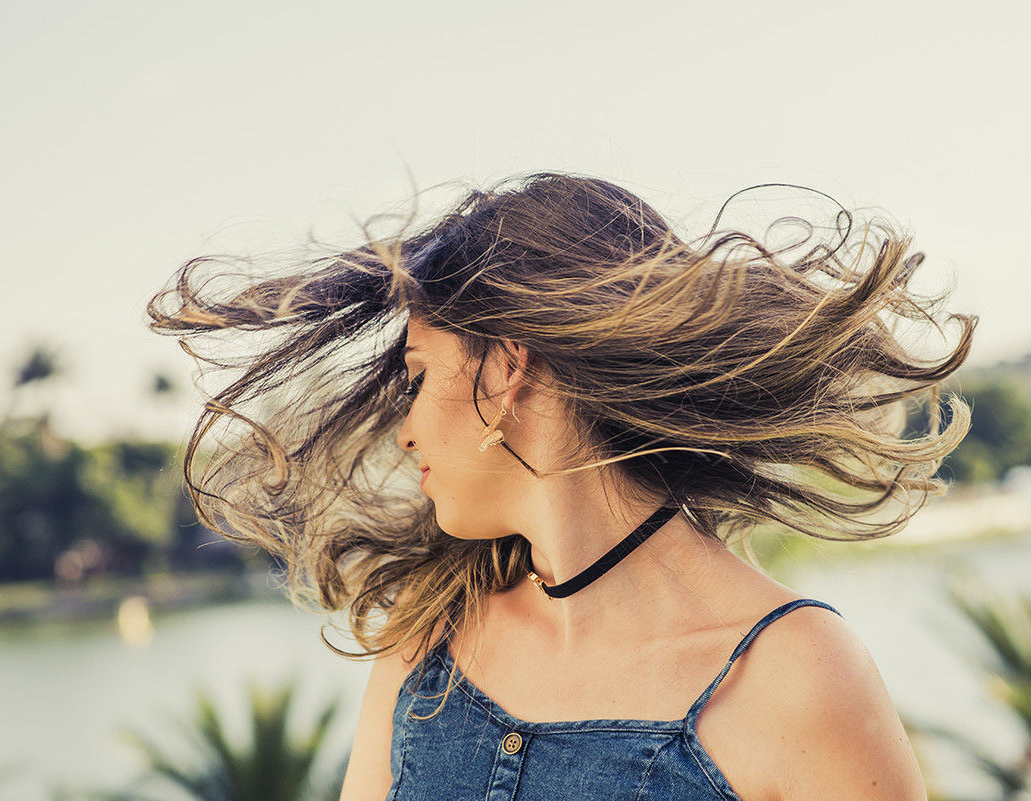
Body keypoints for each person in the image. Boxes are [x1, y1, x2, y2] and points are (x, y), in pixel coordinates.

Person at [150, 173, 974, 800]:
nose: (406, 429)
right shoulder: (427, 644)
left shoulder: (794, 673)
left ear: (509, 367)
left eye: (420, 374)